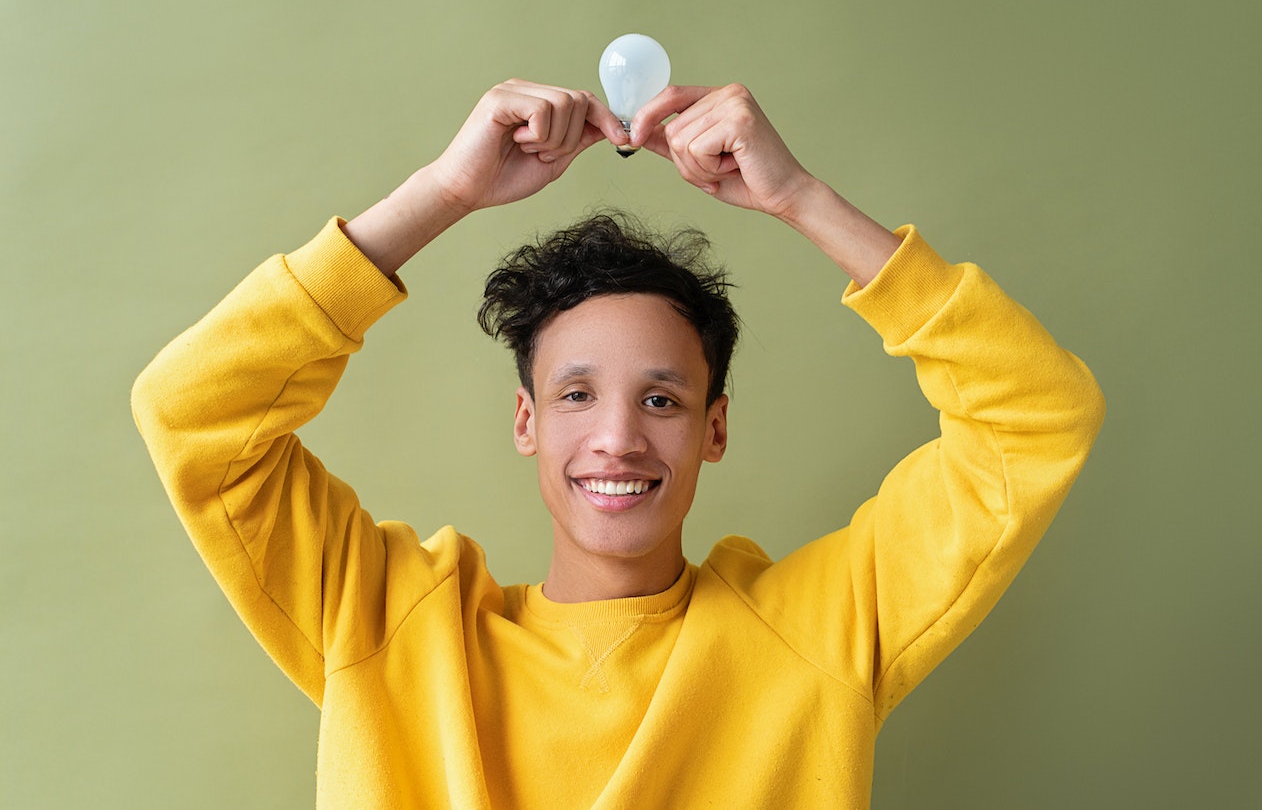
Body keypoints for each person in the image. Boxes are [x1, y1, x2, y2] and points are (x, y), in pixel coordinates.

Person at [132, 79, 1105, 808]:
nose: (617, 437)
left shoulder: (817, 631)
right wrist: (442, 191)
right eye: (575, 393)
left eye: (663, 399)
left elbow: (1036, 413)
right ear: (526, 421)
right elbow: (192, 411)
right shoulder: (389, 624)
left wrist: (800, 197)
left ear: (714, 426)